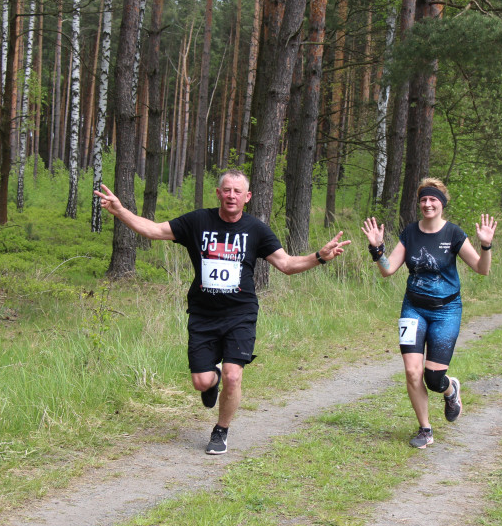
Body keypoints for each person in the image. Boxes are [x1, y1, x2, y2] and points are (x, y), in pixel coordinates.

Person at [94, 170, 350, 455]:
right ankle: (210, 380)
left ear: (247, 197)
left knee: (233, 375)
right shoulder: (198, 222)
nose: (231, 196)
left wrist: (318, 257)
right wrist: (120, 211)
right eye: (226, 190)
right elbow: (153, 230)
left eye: (237, 192)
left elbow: (287, 264)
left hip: (240, 313)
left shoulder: (256, 230)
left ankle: (221, 429)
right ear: (218, 193)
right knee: (201, 381)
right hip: (203, 314)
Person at [361, 178, 497, 449]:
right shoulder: (410, 233)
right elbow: (388, 270)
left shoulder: (454, 234)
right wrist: (377, 249)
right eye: (423, 199)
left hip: (446, 311)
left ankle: (450, 389)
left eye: (433, 199)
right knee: (413, 372)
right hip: (413, 309)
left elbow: (482, 270)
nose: (427, 204)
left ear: (442, 203)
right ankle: (425, 429)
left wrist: (486, 246)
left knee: (433, 379)